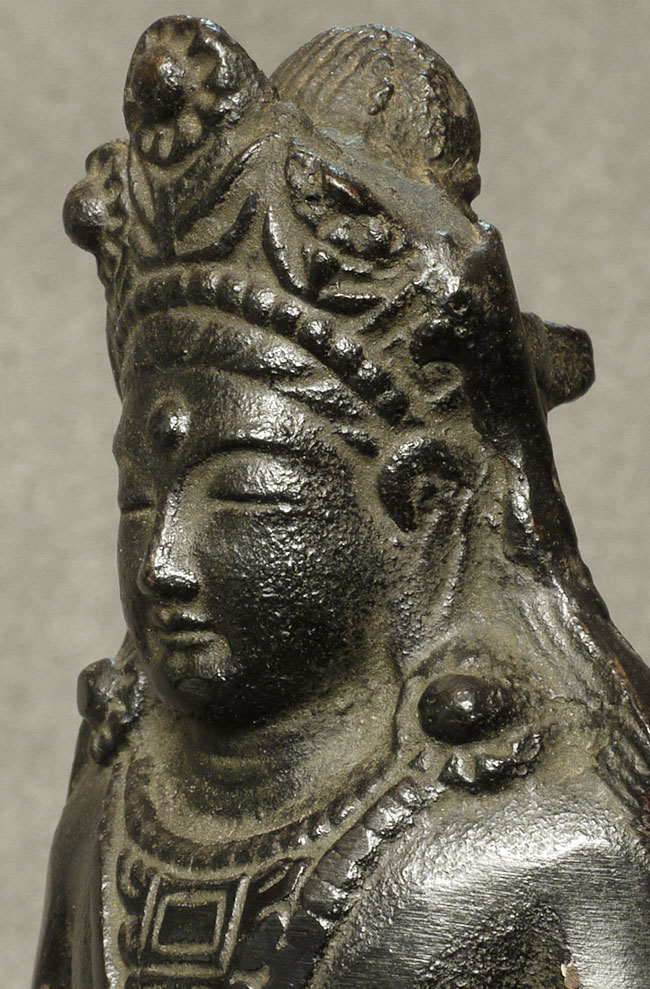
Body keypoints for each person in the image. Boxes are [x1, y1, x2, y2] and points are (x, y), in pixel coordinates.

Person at [34, 18, 650, 988]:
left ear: (416, 503)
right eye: (139, 502)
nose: (164, 561)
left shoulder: (553, 847)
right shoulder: (102, 824)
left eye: (241, 494)